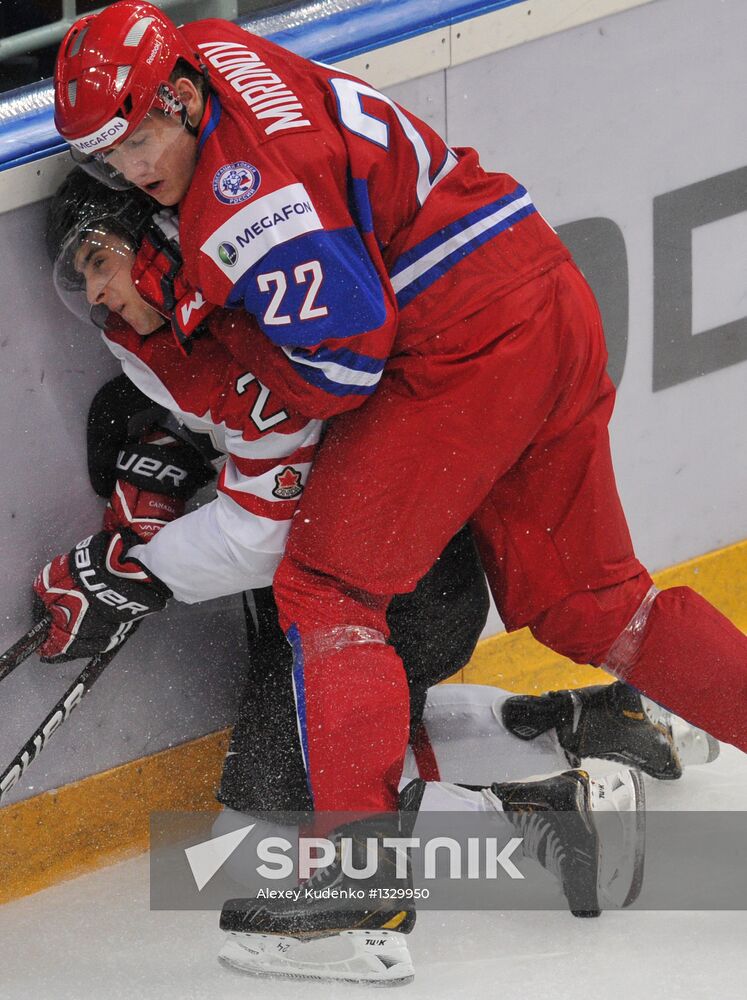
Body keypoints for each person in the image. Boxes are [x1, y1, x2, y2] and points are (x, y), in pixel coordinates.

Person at [49, 2, 747, 982]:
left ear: (175, 92)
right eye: (110, 158)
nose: (133, 168)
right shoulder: (214, 55)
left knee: (327, 591)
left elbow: (342, 367)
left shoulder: (246, 208)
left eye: (138, 140)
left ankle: (358, 885)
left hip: (459, 351)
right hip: (540, 290)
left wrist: (209, 333)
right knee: (592, 604)